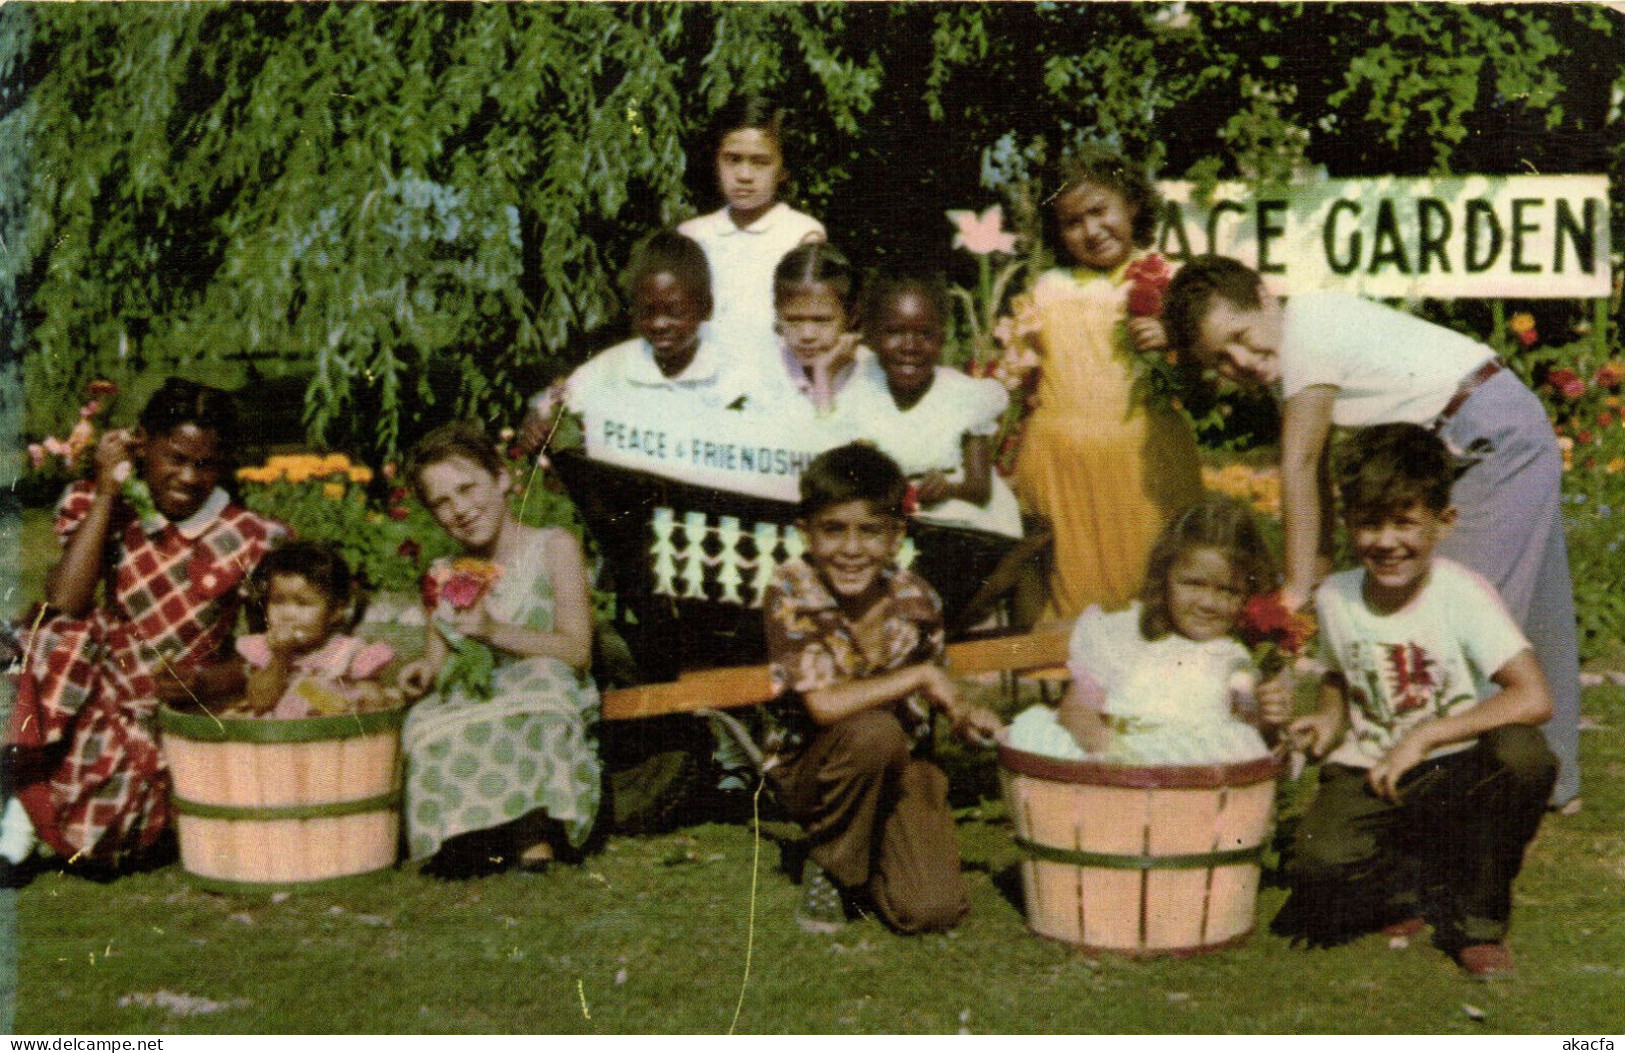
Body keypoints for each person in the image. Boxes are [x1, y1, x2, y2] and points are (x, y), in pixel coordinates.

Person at [1163, 254, 1581, 810]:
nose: (1241, 360)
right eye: (1221, 359)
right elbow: (1315, 472)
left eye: (1240, 336)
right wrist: (1311, 577)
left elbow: (1300, 459)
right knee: (1539, 618)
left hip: (1486, 432)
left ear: (1266, 298)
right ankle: (1556, 788)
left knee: (1465, 624)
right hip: (1498, 418)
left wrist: (1293, 587)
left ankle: (1450, 796)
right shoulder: (1299, 345)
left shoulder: (1306, 332)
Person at [1270, 424, 1556, 978]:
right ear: (1349, 522)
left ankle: (1478, 923)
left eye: (1404, 522)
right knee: (1314, 870)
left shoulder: (1463, 593)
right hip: (1372, 768)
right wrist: (1328, 721)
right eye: (1369, 523)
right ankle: (1406, 881)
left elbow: (1533, 695)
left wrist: (1422, 737)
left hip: (1457, 764)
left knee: (1525, 756)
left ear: (1442, 523)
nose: (1386, 541)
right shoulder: (1335, 596)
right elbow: (1339, 671)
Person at [3, 378, 286, 870]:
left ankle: (49, 812)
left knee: (104, 838)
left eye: (205, 464)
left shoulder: (249, 538)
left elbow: (267, 651)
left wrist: (203, 682)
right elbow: (67, 599)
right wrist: (109, 492)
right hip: (95, 686)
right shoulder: (107, 509)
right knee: (57, 635)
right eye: (174, 458)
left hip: (165, 706)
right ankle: (16, 824)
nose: (188, 477)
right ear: (142, 445)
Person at [761, 443, 1002, 934]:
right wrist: (918, 676)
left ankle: (870, 855)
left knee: (931, 911)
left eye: (870, 531)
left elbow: (938, 689)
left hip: (900, 770)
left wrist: (966, 713)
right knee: (873, 733)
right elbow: (825, 705)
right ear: (805, 531)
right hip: (815, 770)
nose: (852, 550)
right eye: (834, 530)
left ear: (896, 537)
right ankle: (830, 866)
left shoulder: (918, 599)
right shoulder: (792, 589)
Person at [1009, 150, 1204, 619]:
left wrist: (1172, 339)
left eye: (1100, 211)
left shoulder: (1168, 279)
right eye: (1073, 221)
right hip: (1062, 470)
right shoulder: (1047, 288)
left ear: (1132, 204)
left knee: (1150, 587)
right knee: (1072, 597)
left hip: (1143, 466)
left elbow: (1200, 385)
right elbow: (1022, 379)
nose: (1091, 230)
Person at [398, 422, 600, 873]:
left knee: (540, 689)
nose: (461, 510)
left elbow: (576, 650)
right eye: (443, 503)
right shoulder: (444, 573)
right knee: (423, 721)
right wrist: (423, 672)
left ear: (503, 478)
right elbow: (437, 658)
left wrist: (492, 630)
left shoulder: (553, 547)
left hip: (549, 681)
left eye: (468, 489)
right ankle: (466, 827)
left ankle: (532, 832)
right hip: (482, 688)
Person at [1008, 497, 1290, 765]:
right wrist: (1115, 752)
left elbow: (1248, 728)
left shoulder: (1238, 653)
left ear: (1248, 593)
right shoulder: (1122, 634)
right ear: (1165, 576)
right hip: (1117, 762)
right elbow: (1077, 712)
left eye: (1227, 591)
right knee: (1035, 737)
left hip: (1200, 771)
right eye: (1193, 584)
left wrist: (1268, 716)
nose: (1207, 603)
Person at [518, 230, 749, 452]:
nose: (659, 324)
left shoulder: (732, 373)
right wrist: (538, 418)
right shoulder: (614, 366)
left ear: (705, 308)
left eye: (674, 312)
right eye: (648, 312)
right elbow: (551, 402)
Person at [843, 270, 1023, 538]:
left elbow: (980, 488)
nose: (909, 346)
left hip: (951, 520)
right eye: (894, 332)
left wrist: (948, 487)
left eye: (925, 334)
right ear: (872, 334)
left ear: (942, 338)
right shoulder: (859, 383)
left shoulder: (964, 396)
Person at [678, 95, 825, 360]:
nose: (744, 176)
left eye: (760, 162)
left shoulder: (801, 234)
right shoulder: (693, 236)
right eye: (733, 159)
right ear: (716, 161)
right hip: (705, 374)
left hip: (777, 371)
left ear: (784, 170)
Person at [231, 541, 399, 719]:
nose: (288, 615)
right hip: (279, 738)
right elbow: (259, 702)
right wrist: (280, 658)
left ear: (335, 611)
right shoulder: (266, 650)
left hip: (329, 736)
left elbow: (374, 701)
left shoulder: (348, 653)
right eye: (278, 601)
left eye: (303, 604)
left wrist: (362, 701)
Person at [759, 241, 871, 428]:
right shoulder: (766, 366)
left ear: (852, 316)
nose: (807, 335)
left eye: (821, 320)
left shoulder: (870, 374)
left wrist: (824, 377)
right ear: (778, 313)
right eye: (793, 320)